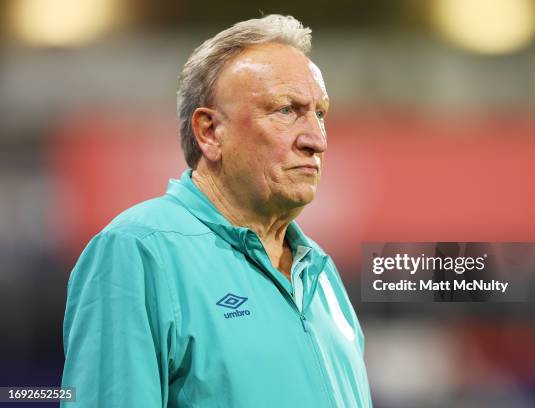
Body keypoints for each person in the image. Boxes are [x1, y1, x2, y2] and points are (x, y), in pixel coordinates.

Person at [61, 14, 372, 407]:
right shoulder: (139, 251)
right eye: (286, 110)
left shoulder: (321, 273)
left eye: (320, 113)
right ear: (210, 132)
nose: (316, 140)